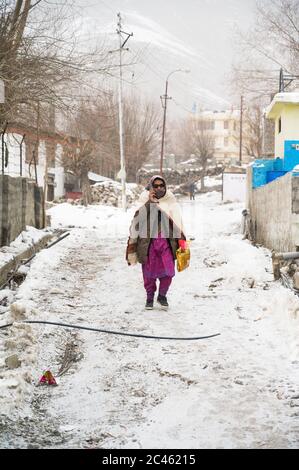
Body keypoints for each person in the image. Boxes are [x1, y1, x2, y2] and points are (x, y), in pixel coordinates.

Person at [126, 175, 186, 310]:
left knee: (168, 272)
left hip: (167, 244)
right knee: (149, 274)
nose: (159, 188)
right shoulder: (144, 200)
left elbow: (178, 223)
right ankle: (149, 297)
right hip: (148, 245)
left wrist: (182, 241)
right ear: (151, 187)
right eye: (156, 186)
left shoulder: (171, 200)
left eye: (161, 185)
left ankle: (162, 295)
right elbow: (137, 221)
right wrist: (150, 203)